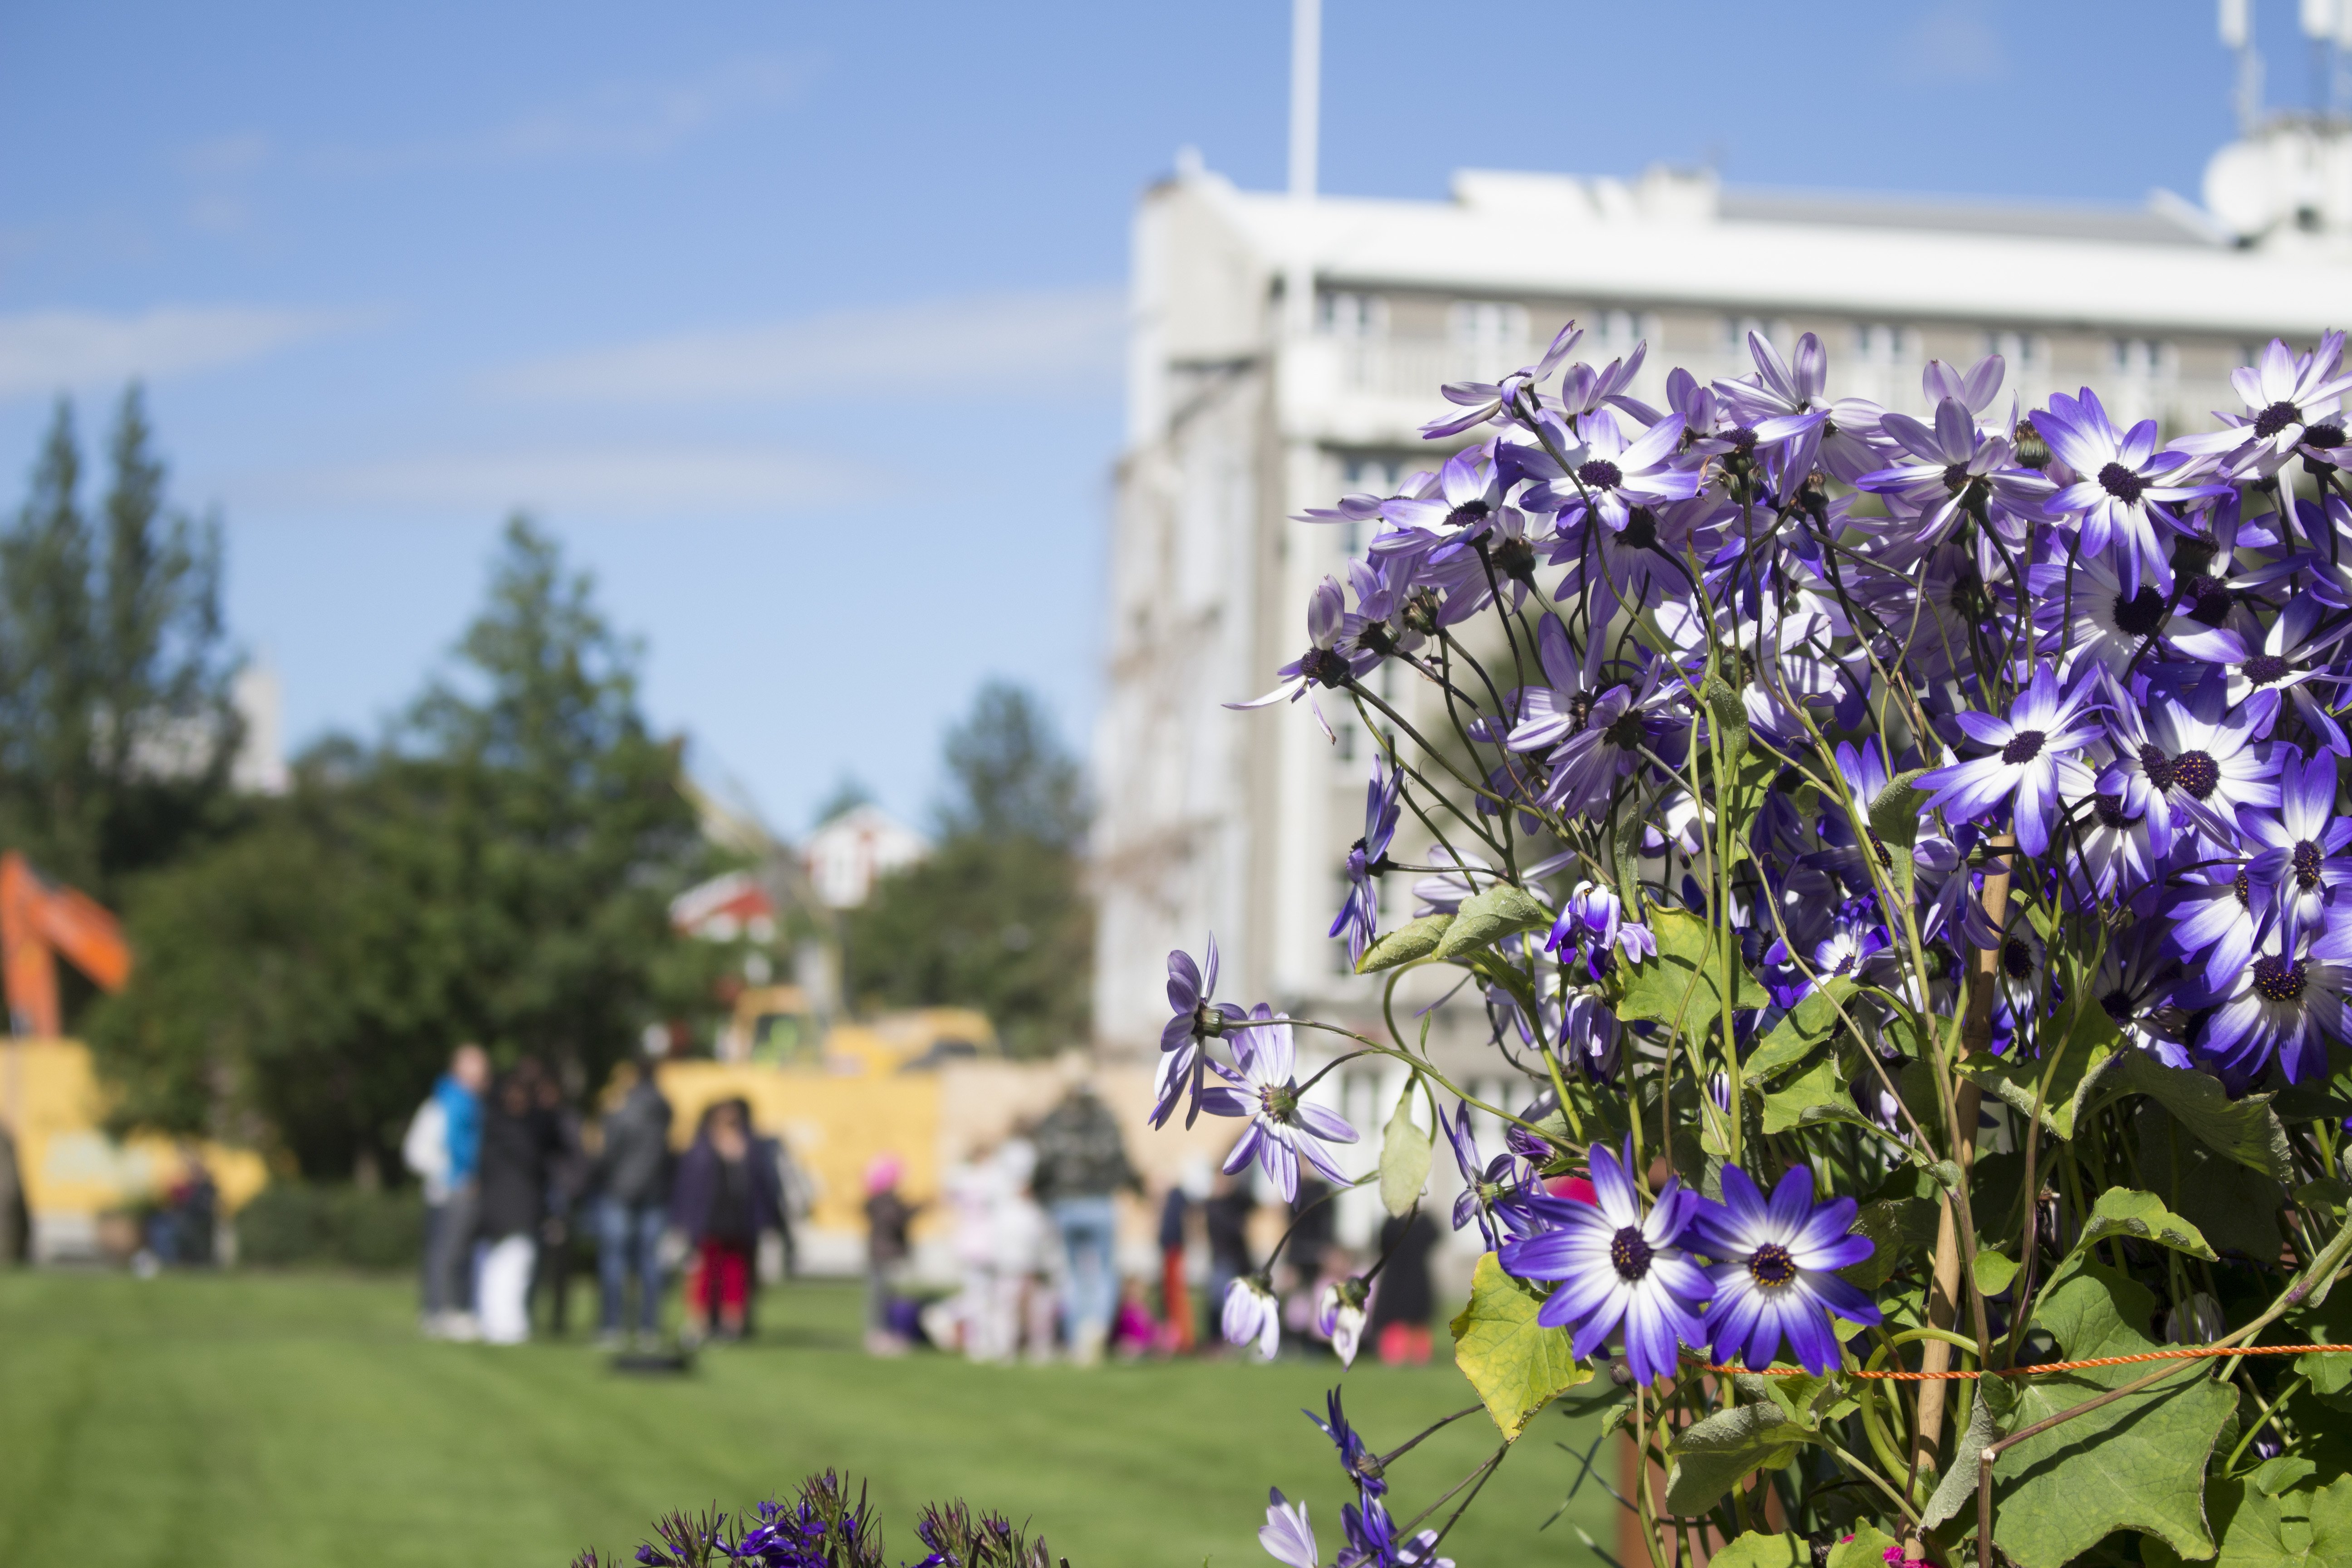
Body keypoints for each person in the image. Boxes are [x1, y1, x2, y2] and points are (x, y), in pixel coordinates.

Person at [1028, 1061, 1139, 1367]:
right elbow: (1122, 1159)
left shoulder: (1053, 1119)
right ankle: (1096, 1329)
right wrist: (1137, 1188)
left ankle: (1079, 1335)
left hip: (1065, 1205)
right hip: (1100, 1203)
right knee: (1104, 1272)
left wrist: (1039, 1194)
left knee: (1074, 1274)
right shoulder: (1106, 1118)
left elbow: (1044, 1164)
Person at [670, 1100, 779, 1343]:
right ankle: (700, 1325)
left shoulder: (750, 1149)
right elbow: (687, 1190)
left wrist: (766, 1225)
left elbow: (763, 1190)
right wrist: (682, 1225)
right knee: (703, 1275)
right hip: (707, 1224)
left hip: (739, 1224)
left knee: (736, 1276)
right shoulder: (700, 1149)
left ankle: (732, 1327)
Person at [404, 1043, 488, 1340]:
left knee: (461, 1253)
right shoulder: (441, 1106)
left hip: (467, 1190)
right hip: (447, 1192)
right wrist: (448, 1173)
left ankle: (457, 1310)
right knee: (444, 1254)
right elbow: (415, 1151)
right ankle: (438, 1311)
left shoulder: (475, 1105)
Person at [476, 1061, 559, 1346]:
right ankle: (507, 1326)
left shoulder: (492, 1125)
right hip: (513, 1209)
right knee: (514, 1264)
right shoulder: (512, 1130)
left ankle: (500, 1323)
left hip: (505, 1207)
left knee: (503, 1265)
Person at [593, 1059, 673, 1348]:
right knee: (650, 1264)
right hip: (654, 1193)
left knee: (615, 1262)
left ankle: (611, 1326)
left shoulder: (622, 1109)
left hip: (620, 1192)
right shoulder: (665, 1110)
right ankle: (648, 1327)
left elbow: (608, 1153)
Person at [1367, 1208, 1439, 1366]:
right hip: (1395, 1275)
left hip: (1416, 1275)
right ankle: (1395, 1352)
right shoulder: (1391, 1223)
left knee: (1417, 1315)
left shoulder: (1424, 1222)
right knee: (1394, 1314)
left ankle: (1418, 1353)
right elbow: (1381, 1244)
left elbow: (1435, 1237)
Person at [861, 1152, 916, 1356]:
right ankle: (879, 1334)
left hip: (882, 1254)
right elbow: (894, 1220)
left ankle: (886, 1333)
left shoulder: (879, 1200)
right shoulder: (883, 1201)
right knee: (880, 1297)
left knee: (886, 1295)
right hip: (883, 1255)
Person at [1202, 1164, 1255, 1353]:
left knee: (1239, 1304)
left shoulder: (1236, 1201)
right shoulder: (1212, 1205)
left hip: (1240, 1261)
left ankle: (1235, 1342)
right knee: (1220, 1303)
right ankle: (1220, 1342)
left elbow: (1252, 1201)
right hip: (1222, 1261)